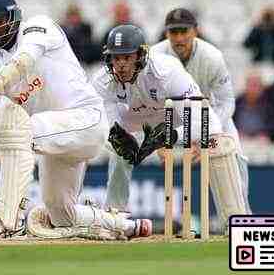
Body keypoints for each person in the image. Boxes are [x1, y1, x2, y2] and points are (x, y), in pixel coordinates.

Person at [0, 0, 152, 241]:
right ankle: (123, 225)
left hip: (86, 121)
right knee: (61, 213)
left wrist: (2, 81)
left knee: (19, 130)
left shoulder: (37, 27)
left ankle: (7, 223)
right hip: (53, 136)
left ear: (13, 17)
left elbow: (26, 59)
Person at [93, 23, 249, 233]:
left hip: (176, 124)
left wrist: (174, 139)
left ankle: (235, 223)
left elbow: (204, 120)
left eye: (127, 57)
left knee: (217, 142)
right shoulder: (102, 80)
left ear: (140, 55)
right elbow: (105, 127)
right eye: (116, 58)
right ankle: (114, 221)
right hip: (136, 129)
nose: (121, 65)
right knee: (120, 152)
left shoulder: (166, 70)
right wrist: (124, 144)